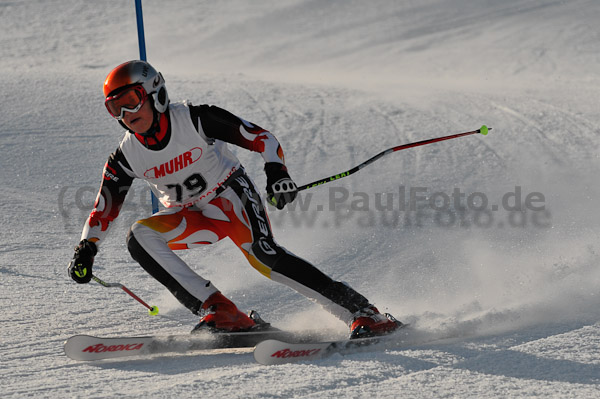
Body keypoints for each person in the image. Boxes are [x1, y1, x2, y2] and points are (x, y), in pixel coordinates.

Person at [68, 60, 402, 338]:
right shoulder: (127, 155)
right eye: (115, 107)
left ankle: (363, 313)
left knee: (263, 256)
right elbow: (104, 209)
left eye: (131, 99)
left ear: (155, 92)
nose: (125, 112)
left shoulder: (195, 118)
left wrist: (277, 173)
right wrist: (87, 248)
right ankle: (222, 311)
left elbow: (261, 138)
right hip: (191, 216)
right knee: (140, 237)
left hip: (230, 198)